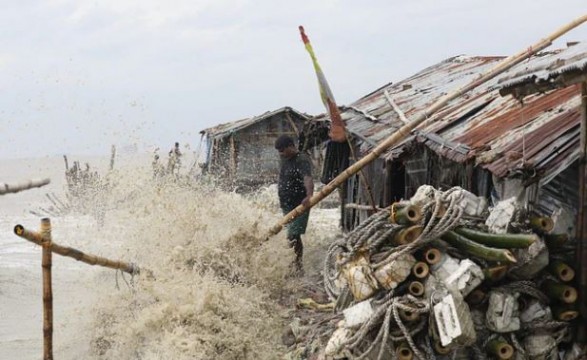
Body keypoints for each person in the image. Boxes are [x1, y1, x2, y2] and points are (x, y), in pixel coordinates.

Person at [275, 135, 314, 275]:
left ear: (291, 146)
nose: (281, 153)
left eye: (283, 150)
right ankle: (296, 264)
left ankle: (297, 265)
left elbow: (307, 178)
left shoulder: (301, 159)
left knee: (293, 234)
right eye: (279, 151)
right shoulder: (283, 158)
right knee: (293, 235)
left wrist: (309, 196)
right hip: (286, 203)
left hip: (300, 204)